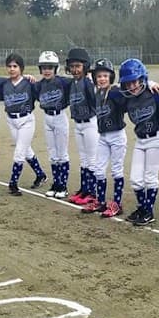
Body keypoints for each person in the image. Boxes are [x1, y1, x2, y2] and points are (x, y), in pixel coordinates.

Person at [118, 58, 159, 226]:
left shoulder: (154, 93)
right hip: (140, 140)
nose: (132, 86)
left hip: (156, 138)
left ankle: (148, 212)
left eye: (135, 81)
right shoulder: (127, 99)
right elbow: (107, 89)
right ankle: (142, 207)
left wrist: (152, 83)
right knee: (135, 180)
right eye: (128, 83)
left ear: (142, 79)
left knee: (150, 178)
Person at [81, 58, 127, 217]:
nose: (101, 79)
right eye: (99, 76)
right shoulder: (97, 92)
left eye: (105, 76)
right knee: (98, 169)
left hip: (117, 136)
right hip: (103, 136)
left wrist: (150, 83)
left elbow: (129, 94)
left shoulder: (114, 91)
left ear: (111, 77)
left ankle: (117, 204)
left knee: (116, 170)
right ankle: (100, 201)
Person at [1, 53, 48, 196]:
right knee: (26, 150)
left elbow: (43, 89)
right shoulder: (4, 84)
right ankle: (40, 175)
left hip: (26, 120)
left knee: (19, 152)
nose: (12, 69)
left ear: (21, 68)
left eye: (15, 66)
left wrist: (32, 79)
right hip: (11, 120)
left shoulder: (29, 83)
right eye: (9, 66)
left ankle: (13, 183)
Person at [35, 50, 71, 198]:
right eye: (44, 67)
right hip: (47, 118)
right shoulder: (39, 85)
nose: (47, 70)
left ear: (56, 68)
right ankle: (56, 183)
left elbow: (79, 81)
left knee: (62, 154)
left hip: (60, 117)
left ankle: (63, 185)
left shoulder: (63, 82)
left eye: (50, 67)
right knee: (53, 154)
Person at [65, 47, 99, 205]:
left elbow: (97, 101)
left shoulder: (88, 83)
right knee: (84, 160)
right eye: (72, 66)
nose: (74, 69)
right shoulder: (72, 83)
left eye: (78, 66)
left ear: (85, 66)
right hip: (78, 124)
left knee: (92, 160)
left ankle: (93, 192)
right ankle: (85, 189)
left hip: (90, 123)